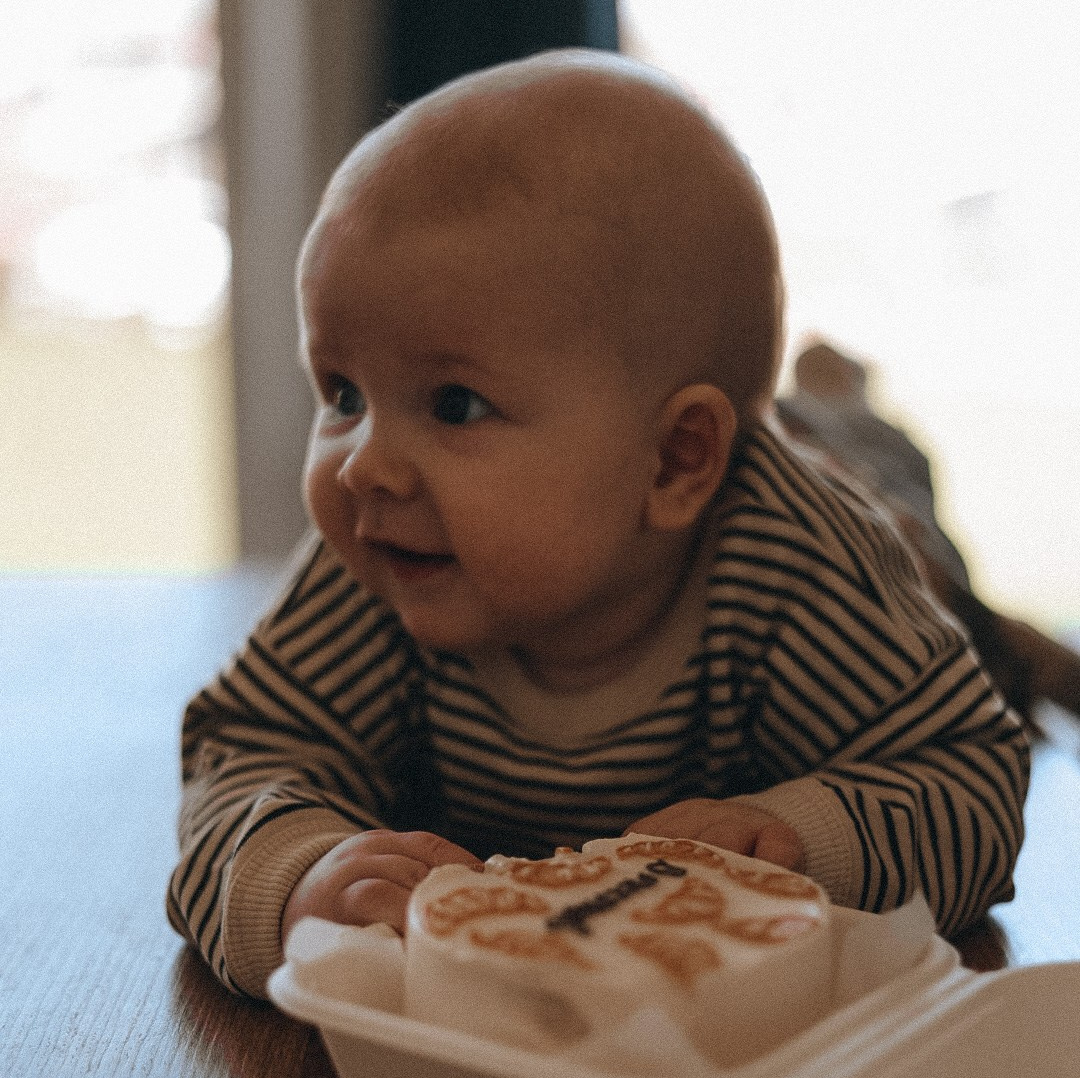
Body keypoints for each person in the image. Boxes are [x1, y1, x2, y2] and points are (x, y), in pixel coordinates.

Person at [168, 52, 1029, 999]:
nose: (366, 463)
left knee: (917, 543)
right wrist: (295, 878)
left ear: (673, 460)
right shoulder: (388, 557)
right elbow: (244, 754)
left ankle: (836, 400)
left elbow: (969, 782)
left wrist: (804, 836)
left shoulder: (796, 563)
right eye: (343, 392)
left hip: (875, 525)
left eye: (453, 404)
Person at [776, 340, 1080, 731]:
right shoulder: (800, 426)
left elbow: (922, 519)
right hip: (911, 588)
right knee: (1017, 647)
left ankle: (999, 672)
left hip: (922, 590)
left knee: (1017, 646)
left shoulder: (883, 441)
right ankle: (1000, 672)